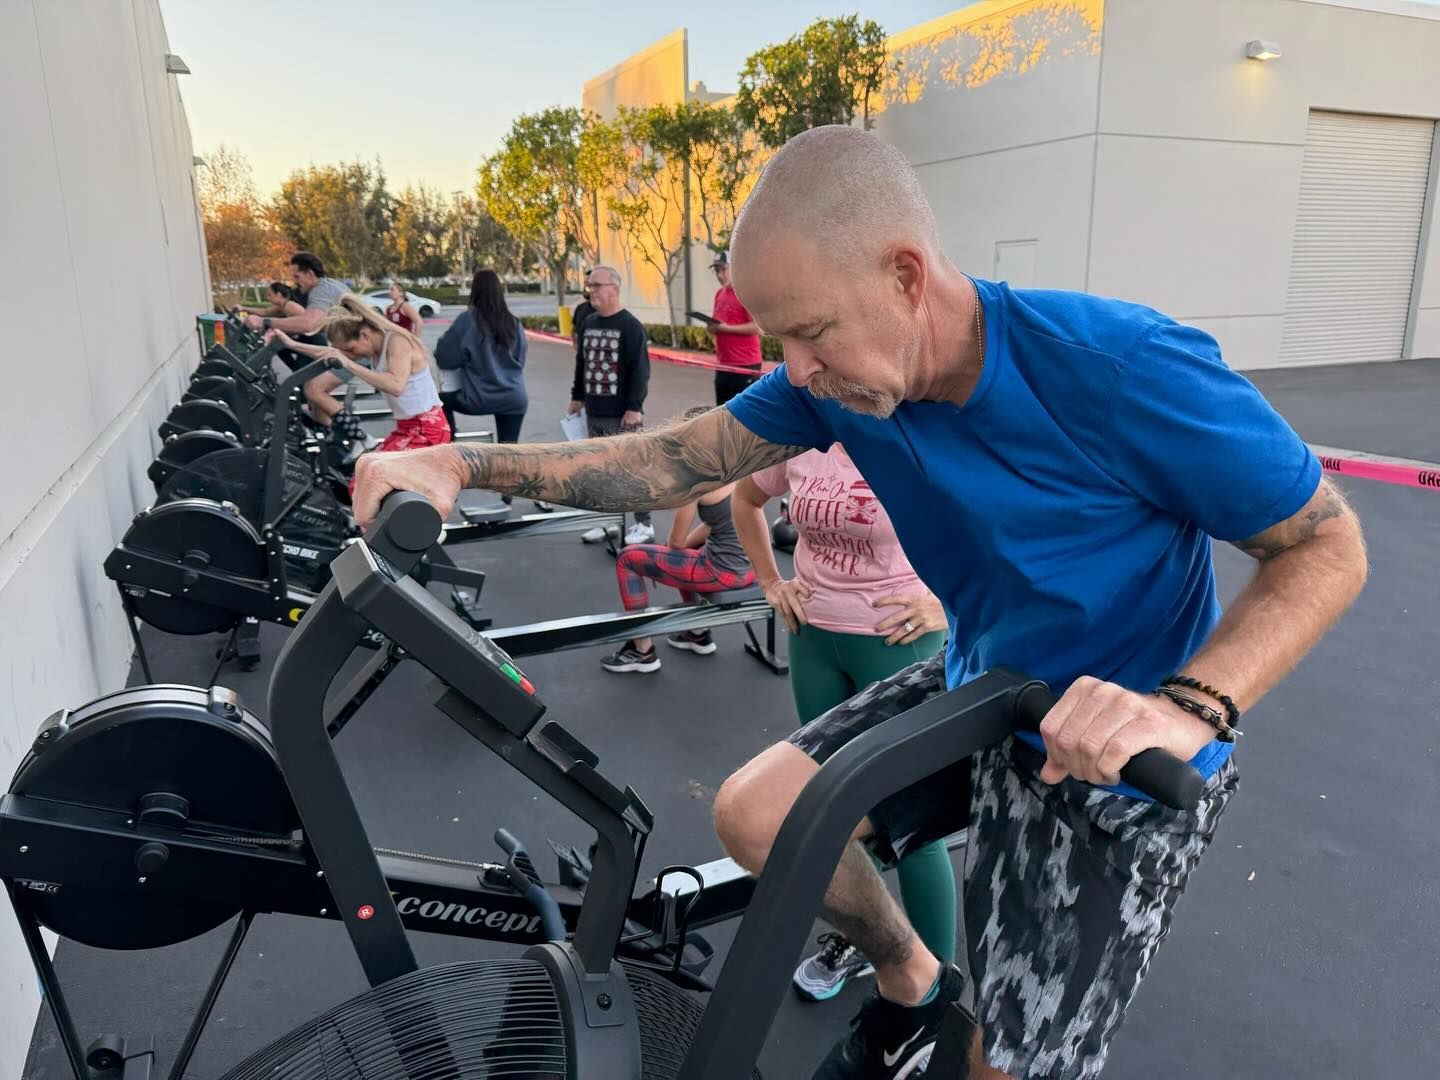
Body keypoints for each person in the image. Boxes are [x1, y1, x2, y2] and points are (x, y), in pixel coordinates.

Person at [350, 125, 1369, 1080]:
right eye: (780, 342)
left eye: (811, 333)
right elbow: (671, 459)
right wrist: (458, 461)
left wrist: (1188, 704)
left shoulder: (1120, 368)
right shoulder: (840, 382)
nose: (796, 371)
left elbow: (1326, 543)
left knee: (1005, 1066)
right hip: (987, 685)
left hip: (1119, 748)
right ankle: (914, 980)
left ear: (906, 274)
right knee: (761, 814)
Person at [731, 444, 952, 1002]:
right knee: (836, 811)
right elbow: (746, 497)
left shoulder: (919, 431)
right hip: (813, 638)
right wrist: (770, 583)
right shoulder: (803, 432)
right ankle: (869, 938)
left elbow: (1002, 527)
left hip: (895, 641)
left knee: (910, 825)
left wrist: (947, 605)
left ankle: (935, 992)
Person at [600, 406, 756, 674]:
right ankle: (697, 633)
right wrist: (685, 547)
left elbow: (675, 542)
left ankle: (642, 650)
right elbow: (717, 522)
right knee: (689, 553)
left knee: (628, 558)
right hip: (748, 570)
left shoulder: (697, 479)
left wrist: (679, 547)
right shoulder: (740, 467)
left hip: (719, 572)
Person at [268, 294, 450, 459]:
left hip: (427, 429)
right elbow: (330, 352)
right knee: (361, 476)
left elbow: (396, 385)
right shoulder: (374, 349)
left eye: (351, 349)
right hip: (407, 427)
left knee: (375, 477)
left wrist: (348, 363)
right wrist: (290, 344)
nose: (350, 354)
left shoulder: (396, 341)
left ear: (364, 335)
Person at [243, 252, 368, 455]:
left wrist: (266, 324)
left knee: (313, 389)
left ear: (310, 274)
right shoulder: (328, 286)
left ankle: (361, 438)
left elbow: (308, 323)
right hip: (348, 348)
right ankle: (336, 444)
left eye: (297, 277)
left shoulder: (320, 290)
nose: (295, 283)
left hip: (358, 351)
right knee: (316, 403)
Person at [568, 265, 653, 546]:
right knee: (600, 469)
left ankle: (644, 524)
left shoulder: (630, 326)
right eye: (589, 286)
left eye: (596, 286)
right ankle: (608, 521)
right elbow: (582, 363)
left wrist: (634, 407)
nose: (590, 291)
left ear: (614, 290)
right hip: (594, 410)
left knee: (631, 469)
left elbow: (640, 370)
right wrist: (577, 396)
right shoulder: (589, 322)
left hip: (623, 413)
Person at [435, 268, 529, 444]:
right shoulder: (513, 323)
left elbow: (444, 357)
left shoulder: (468, 320)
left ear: (475, 291)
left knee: (438, 402)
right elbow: (520, 360)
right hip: (514, 397)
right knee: (509, 453)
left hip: (478, 398)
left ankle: (450, 444)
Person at [707, 251, 764, 406]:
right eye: (716, 270)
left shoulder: (745, 293)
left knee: (746, 417)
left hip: (745, 365)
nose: (719, 275)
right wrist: (713, 328)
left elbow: (757, 327)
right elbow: (718, 324)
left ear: (734, 267)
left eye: (723, 269)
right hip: (723, 364)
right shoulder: (719, 294)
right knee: (721, 413)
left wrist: (726, 329)